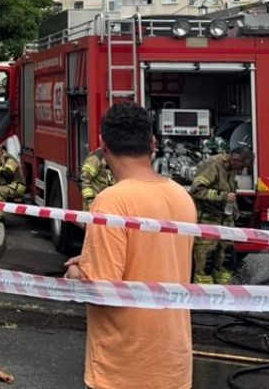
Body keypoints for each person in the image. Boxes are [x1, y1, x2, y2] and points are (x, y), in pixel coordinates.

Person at [65, 102, 196, 389]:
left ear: (103, 145)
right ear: (153, 143)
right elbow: (157, 259)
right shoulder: (181, 197)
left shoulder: (111, 201)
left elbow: (102, 290)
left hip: (123, 370)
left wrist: (76, 272)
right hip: (174, 367)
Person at [188, 145, 252, 284]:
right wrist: (222, 196)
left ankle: (223, 293)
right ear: (235, 159)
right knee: (206, 262)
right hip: (208, 220)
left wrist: (234, 210)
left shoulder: (231, 168)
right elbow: (196, 190)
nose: (241, 171)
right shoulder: (213, 165)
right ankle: (204, 297)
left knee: (227, 259)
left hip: (226, 221)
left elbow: (231, 190)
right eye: (241, 167)